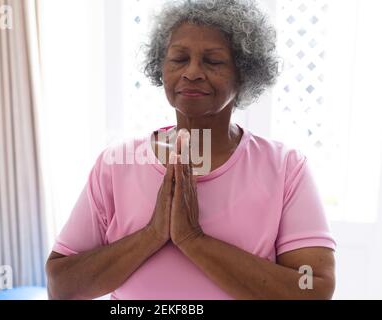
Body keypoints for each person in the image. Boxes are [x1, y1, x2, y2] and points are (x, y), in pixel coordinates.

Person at [46, 0, 336, 300]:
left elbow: (313, 289)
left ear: (244, 73)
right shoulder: (117, 164)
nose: (193, 72)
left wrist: (192, 239)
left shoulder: (285, 167)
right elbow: (61, 287)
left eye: (213, 61)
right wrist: (152, 235)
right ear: (161, 69)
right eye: (179, 59)